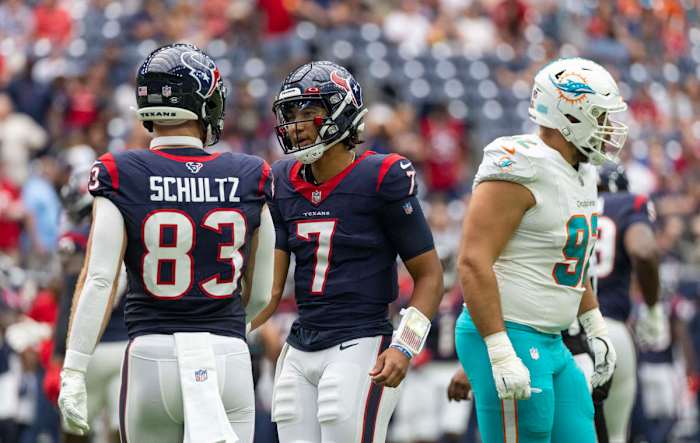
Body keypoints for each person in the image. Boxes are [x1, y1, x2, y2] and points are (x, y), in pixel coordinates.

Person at [56, 43, 275, 443]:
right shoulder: (249, 172)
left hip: (151, 358)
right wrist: (229, 328)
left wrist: (73, 369)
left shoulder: (121, 170)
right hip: (226, 354)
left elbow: (99, 281)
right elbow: (261, 292)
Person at [254, 60, 444, 442]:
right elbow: (271, 290)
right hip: (300, 342)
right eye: (291, 114)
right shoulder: (281, 181)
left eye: (309, 112)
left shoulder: (382, 176)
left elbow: (430, 275)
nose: (297, 124)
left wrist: (405, 346)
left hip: (360, 342)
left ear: (341, 114)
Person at [452, 57, 627, 443]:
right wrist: (498, 349)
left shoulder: (581, 170)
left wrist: (595, 326)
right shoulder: (522, 164)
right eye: (600, 116)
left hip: (552, 338)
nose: (609, 128)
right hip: (512, 334)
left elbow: (569, 260)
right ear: (571, 115)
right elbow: (472, 261)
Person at [45, 165, 129, 443]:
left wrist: (60, 352)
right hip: (128, 347)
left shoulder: (76, 241)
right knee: (124, 430)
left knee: (74, 429)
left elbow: (71, 296)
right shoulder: (132, 227)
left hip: (90, 348)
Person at [594, 163, 665, 443]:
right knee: (614, 435)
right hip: (611, 328)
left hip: (563, 334)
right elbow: (644, 252)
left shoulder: (568, 202)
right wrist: (653, 307)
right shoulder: (630, 204)